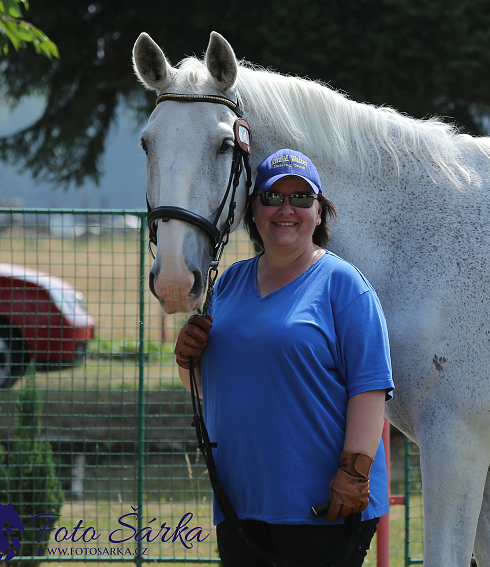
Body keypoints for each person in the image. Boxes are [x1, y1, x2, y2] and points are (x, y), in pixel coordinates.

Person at [174, 148, 394, 567]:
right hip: (241, 499)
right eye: (272, 198)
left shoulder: (344, 286)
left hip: (322, 503)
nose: (285, 210)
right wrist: (187, 360)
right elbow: (209, 388)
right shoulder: (228, 284)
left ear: (319, 211)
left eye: (301, 198)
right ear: (253, 211)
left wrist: (354, 473)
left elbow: (370, 387)